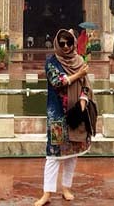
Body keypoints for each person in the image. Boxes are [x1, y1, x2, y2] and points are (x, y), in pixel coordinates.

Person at [35, 29, 97, 206]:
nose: (66, 46)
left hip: (76, 114)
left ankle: (66, 188)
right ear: (57, 44)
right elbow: (58, 81)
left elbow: (86, 85)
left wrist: (83, 100)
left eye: (69, 43)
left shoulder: (79, 60)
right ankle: (47, 192)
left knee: (73, 154)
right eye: (62, 43)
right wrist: (79, 75)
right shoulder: (51, 62)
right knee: (53, 155)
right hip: (58, 115)